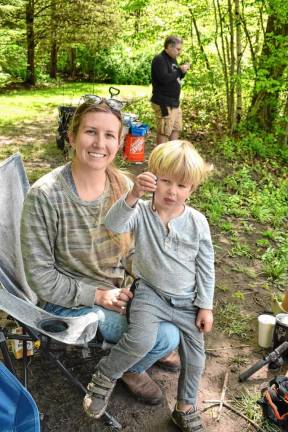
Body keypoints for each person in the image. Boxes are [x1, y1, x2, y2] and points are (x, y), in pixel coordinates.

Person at [20, 99, 181, 406]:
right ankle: (131, 370)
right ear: (71, 137)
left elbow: (135, 249)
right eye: (90, 132)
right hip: (69, 303)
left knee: (177, 318)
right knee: (167, 336)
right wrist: (98, 295)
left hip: (117, 291)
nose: (99, 143)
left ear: (119, 143)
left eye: (109, 135)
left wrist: (152, 285)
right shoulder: (45, 196)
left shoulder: (123, 185)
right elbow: (41, 278)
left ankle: (137, 352)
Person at [83, 140, 215, 432]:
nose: (172, 191)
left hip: (187, 302)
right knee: (140, 339)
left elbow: (206, 266)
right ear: (153, 178)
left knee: (195, 358)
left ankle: (185, 407)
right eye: (165, 181)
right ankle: (104, 377)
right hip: (150, 294)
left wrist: (205, 305)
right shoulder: (140, 211)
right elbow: (114, 225)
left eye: (182, 186)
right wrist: (132, 194)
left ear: (192, 189)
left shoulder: (197, 223)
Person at [151, 35, 190, 145]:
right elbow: (164, 79)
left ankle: (172, 156)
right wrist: (179, 71)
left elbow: (175, 78)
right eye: (178, 49)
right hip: (163, 102)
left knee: (176, 128)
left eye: (180, 49)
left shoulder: (173, 60)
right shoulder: (160, 59)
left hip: (174, 102)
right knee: (164, 131)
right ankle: (161, 158)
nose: (179, 52)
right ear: (169, 46)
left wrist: (182, 72)